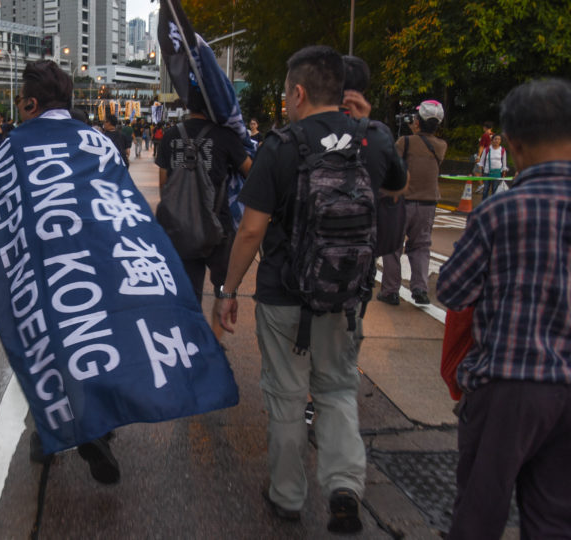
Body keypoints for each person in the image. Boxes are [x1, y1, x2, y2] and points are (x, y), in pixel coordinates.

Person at [215, 45, 406, 533]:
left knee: (285, 396)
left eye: (284, 93)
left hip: (285, 294)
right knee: (338, 388)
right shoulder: (376, 138)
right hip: (346, 294)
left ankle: (287, 496)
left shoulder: (281, 145)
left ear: (298, 92)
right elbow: (395, 191)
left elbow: (252, 230)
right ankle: (344, 486)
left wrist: (228, 288)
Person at [0, 60, 120, 484]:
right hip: (94, 269)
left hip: (36, 275)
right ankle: (99, 428)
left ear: (31, 103)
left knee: (42, 351)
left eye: (19, 100)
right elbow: (120, 211)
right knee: (93, 344)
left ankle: (46, 434)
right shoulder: (99, 144)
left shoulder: (11, 149)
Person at [437, 77, 571, 540]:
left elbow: (453, 290)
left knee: (480, 509)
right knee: (555, 517)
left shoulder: (499, 212)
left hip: (508, 386)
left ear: (513, 144)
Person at [156, 92, 253, 340]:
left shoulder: (170, 136)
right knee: (223, 289)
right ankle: (215, 342)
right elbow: (251, 173)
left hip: (180, 230)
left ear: (188, 105)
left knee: (188, 292)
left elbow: (164, 186)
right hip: (217, 227)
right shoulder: (224, 136)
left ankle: (190, 345)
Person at [377, 100, 447, 306]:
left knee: (393, 247)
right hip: (428, 204)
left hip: (402, 202)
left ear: (417, 121)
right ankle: (420, 288)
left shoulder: (404, 142)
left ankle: (390, 290)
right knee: (421, 246)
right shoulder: (441, 146)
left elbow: (391, 167)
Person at [477, 133, 509, 199]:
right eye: (495, 139)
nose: (497, 141)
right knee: (485, 190)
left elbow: (504, 162)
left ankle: (493, 205)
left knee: (495, 190)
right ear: (492, 140)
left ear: (500, 141)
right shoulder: (487, 149)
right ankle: (484, 205)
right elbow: (482, 161)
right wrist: (480, 171)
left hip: (497, 174)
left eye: (499, 139)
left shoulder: (502, 150)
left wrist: (504, 171)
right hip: (487, 173)